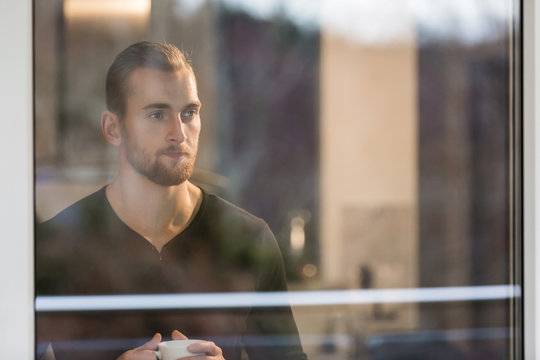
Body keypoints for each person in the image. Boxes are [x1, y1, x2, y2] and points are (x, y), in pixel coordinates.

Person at [36, 41, 307, 360]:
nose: (179, 132)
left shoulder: (249, 238)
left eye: (189, 112)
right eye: (157, 114)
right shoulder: (55, 247)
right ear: (113, 128)